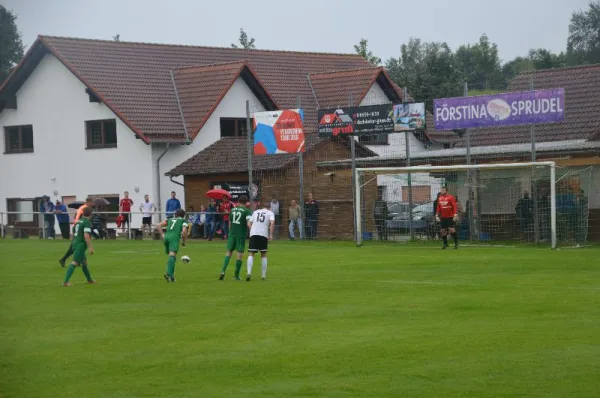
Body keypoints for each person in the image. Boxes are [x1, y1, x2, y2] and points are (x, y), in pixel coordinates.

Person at [219, 195, 252, 281]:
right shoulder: (247, 211)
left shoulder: (232, 210)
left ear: (238, 202)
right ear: (246, 202)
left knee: (229, 252)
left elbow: (229, 224)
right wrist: (252, 232)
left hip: (232, 234)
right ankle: (236, 275)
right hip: (240, 235)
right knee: (239, 254)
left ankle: (223, 271)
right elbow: (249, 224)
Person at [62, 207, 96, 286]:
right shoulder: (86, 222)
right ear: (90, 214)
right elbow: (86, 235)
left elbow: (73, 232)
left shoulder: (78, 222)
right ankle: (66, 282)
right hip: (80, 245)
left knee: (84, 263)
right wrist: (90, 247)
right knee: (75, 262)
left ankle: (89, 280)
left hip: (75, 243)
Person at [58, 197, 93, 267]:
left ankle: (73, 260)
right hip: (79, 228)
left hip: (77, 226)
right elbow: (80, 217)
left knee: (76, 245)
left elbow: (76, 216)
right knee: (76, 245)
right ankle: (66, 260)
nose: (92, 204)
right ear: (89, 202)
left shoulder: (82, 207)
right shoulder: (85, 208)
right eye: (92, 203)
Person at [157, 208, 188, 282]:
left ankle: (172, 276)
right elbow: (184, 231)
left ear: (176, 214)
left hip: (167, 237)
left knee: (172, 257)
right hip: (174, 238)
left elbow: (158, 225)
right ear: (183, 215)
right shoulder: (183, 221)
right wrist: (183, 241)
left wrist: (162, 235)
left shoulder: (170, 219)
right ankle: (168, 274)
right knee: (172, 256)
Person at [246, 203, 275, 281]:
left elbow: (249, 223)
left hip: (253, 234)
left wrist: (252, 230)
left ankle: (248, 273)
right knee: (263, 254)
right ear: (269, 207)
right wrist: (271, 235)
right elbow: (272, 223)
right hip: (263, 234)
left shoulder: (256, 212)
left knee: (251, 253)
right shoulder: (270, 213)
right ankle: (263, 276)